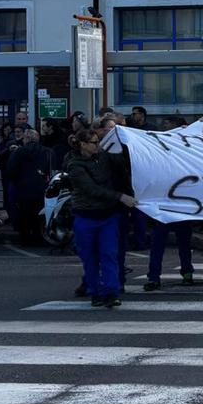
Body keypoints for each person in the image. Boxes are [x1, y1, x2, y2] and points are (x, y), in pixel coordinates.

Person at [66, 129, 135, 308]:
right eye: (94, 143)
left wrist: (133, 143)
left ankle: (111, 292)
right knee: (90, 258)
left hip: (107, 215)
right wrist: (120, 197)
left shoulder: (103, 157)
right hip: (86, 216)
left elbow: (123, 160)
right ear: (82, 145)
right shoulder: (75, 165)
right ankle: (95, 291)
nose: (98, 145)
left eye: (98, 142)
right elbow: (92, 190)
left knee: (109, 254)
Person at [5, 129, 52, 247]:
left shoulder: (19, 152)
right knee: (39, 213)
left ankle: (25, 238)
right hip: (41, 187)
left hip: (23, 188)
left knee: (23, 214)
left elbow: (11, 170)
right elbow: (52, 169)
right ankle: (38, 236)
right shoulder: (47, 152)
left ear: (25, 139)